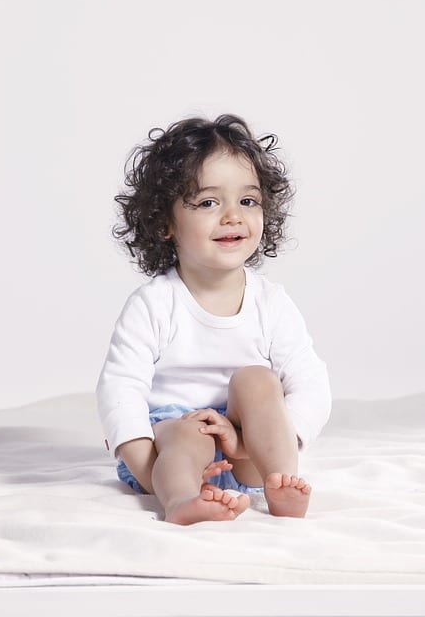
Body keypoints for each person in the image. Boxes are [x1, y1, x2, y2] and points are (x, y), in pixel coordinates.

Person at [96, 114, 331, 525]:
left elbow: (311, 384)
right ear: (166, 223)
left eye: (248, 201)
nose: (232, 216)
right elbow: (120, 387)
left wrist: (256, 444)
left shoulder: (271, 303)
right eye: (208, 202)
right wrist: (141, 460)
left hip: (249, 454)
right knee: (185, 433)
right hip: (171, 451)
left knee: (259, 380)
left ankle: (281, 484)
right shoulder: (154, 304)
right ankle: (183, 501)